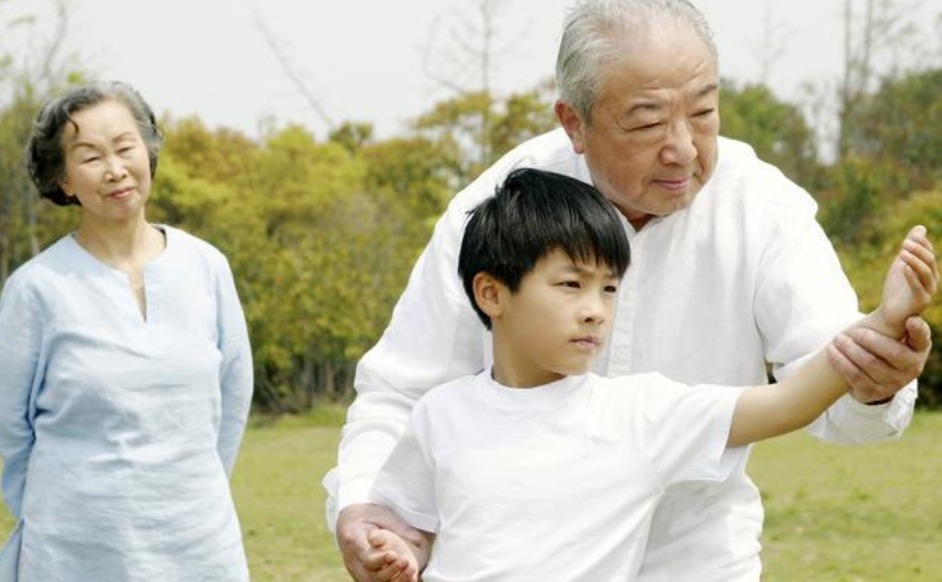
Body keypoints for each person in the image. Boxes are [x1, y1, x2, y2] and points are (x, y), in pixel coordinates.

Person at [324, 0, 937, 579]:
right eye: (646, 121)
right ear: (575, 123)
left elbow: (825, 386)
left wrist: (875, 376)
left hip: (695, 560)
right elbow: (402, 390)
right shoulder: (494, 213)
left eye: (703, 112)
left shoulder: (763, 209)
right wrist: (367, 512)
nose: (683, 148)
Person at [358, 167, 937, 582]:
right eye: (571, 285)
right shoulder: (440, 415)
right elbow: (408, 523)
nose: (595, 309)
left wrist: (883, 321)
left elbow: (793, 400)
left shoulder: (640, 414)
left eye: (609, 288)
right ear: (492, 293)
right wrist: (397, 551)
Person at [0, 81, 254, 580]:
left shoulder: (206, 266)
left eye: (125, 147)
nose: (115, 169)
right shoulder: (36, 289)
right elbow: (9, 429)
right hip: (73, 551)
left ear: (148, 152)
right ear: (64, 180)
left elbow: (233, 392)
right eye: (90, 156)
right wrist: (65, 511)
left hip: (199, 544)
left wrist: (187, 490)